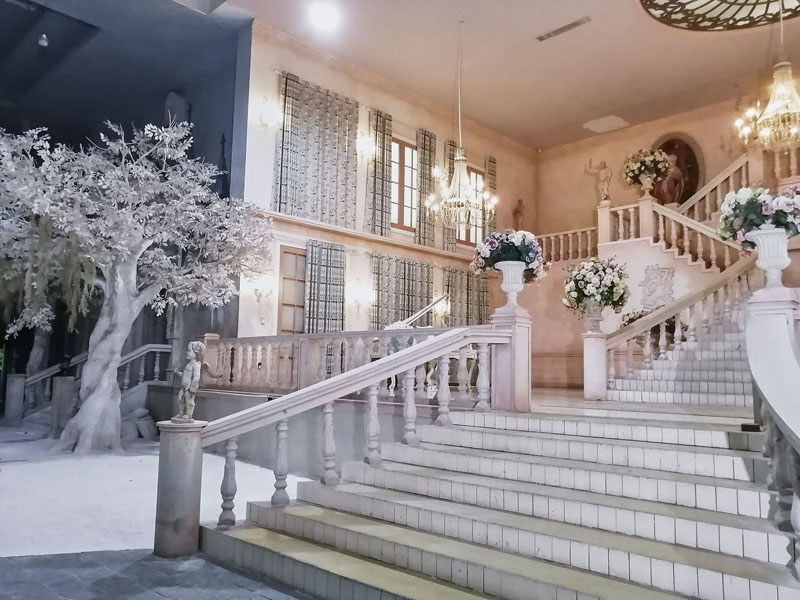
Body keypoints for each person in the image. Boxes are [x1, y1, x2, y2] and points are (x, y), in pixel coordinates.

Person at [173, 341, 204, 421]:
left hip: (189, 388)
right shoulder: (189, 364)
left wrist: (192, 388)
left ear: (196, 353)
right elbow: (185, 375)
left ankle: (188, 414)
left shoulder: (196, 364)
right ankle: (181, 412)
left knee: (189, 401)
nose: (187, 352)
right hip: (184, 387)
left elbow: (196, 377)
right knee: (180, 399)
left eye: (189, 351)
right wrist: (178, 372)